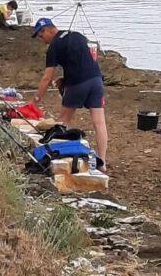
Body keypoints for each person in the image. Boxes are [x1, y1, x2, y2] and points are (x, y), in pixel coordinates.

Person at [31, 16, 108, 165]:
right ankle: (103, 162)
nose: (42, 40)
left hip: (77, 84)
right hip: (96, 80)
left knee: (63, 121)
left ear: (48, 30)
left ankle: (60, 155)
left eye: (41, 36)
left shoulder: (53, 47)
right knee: (99, 122)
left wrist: (35, 100)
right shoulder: (77, 35)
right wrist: (65, 78)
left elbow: (47, 78)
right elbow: (83, 59)